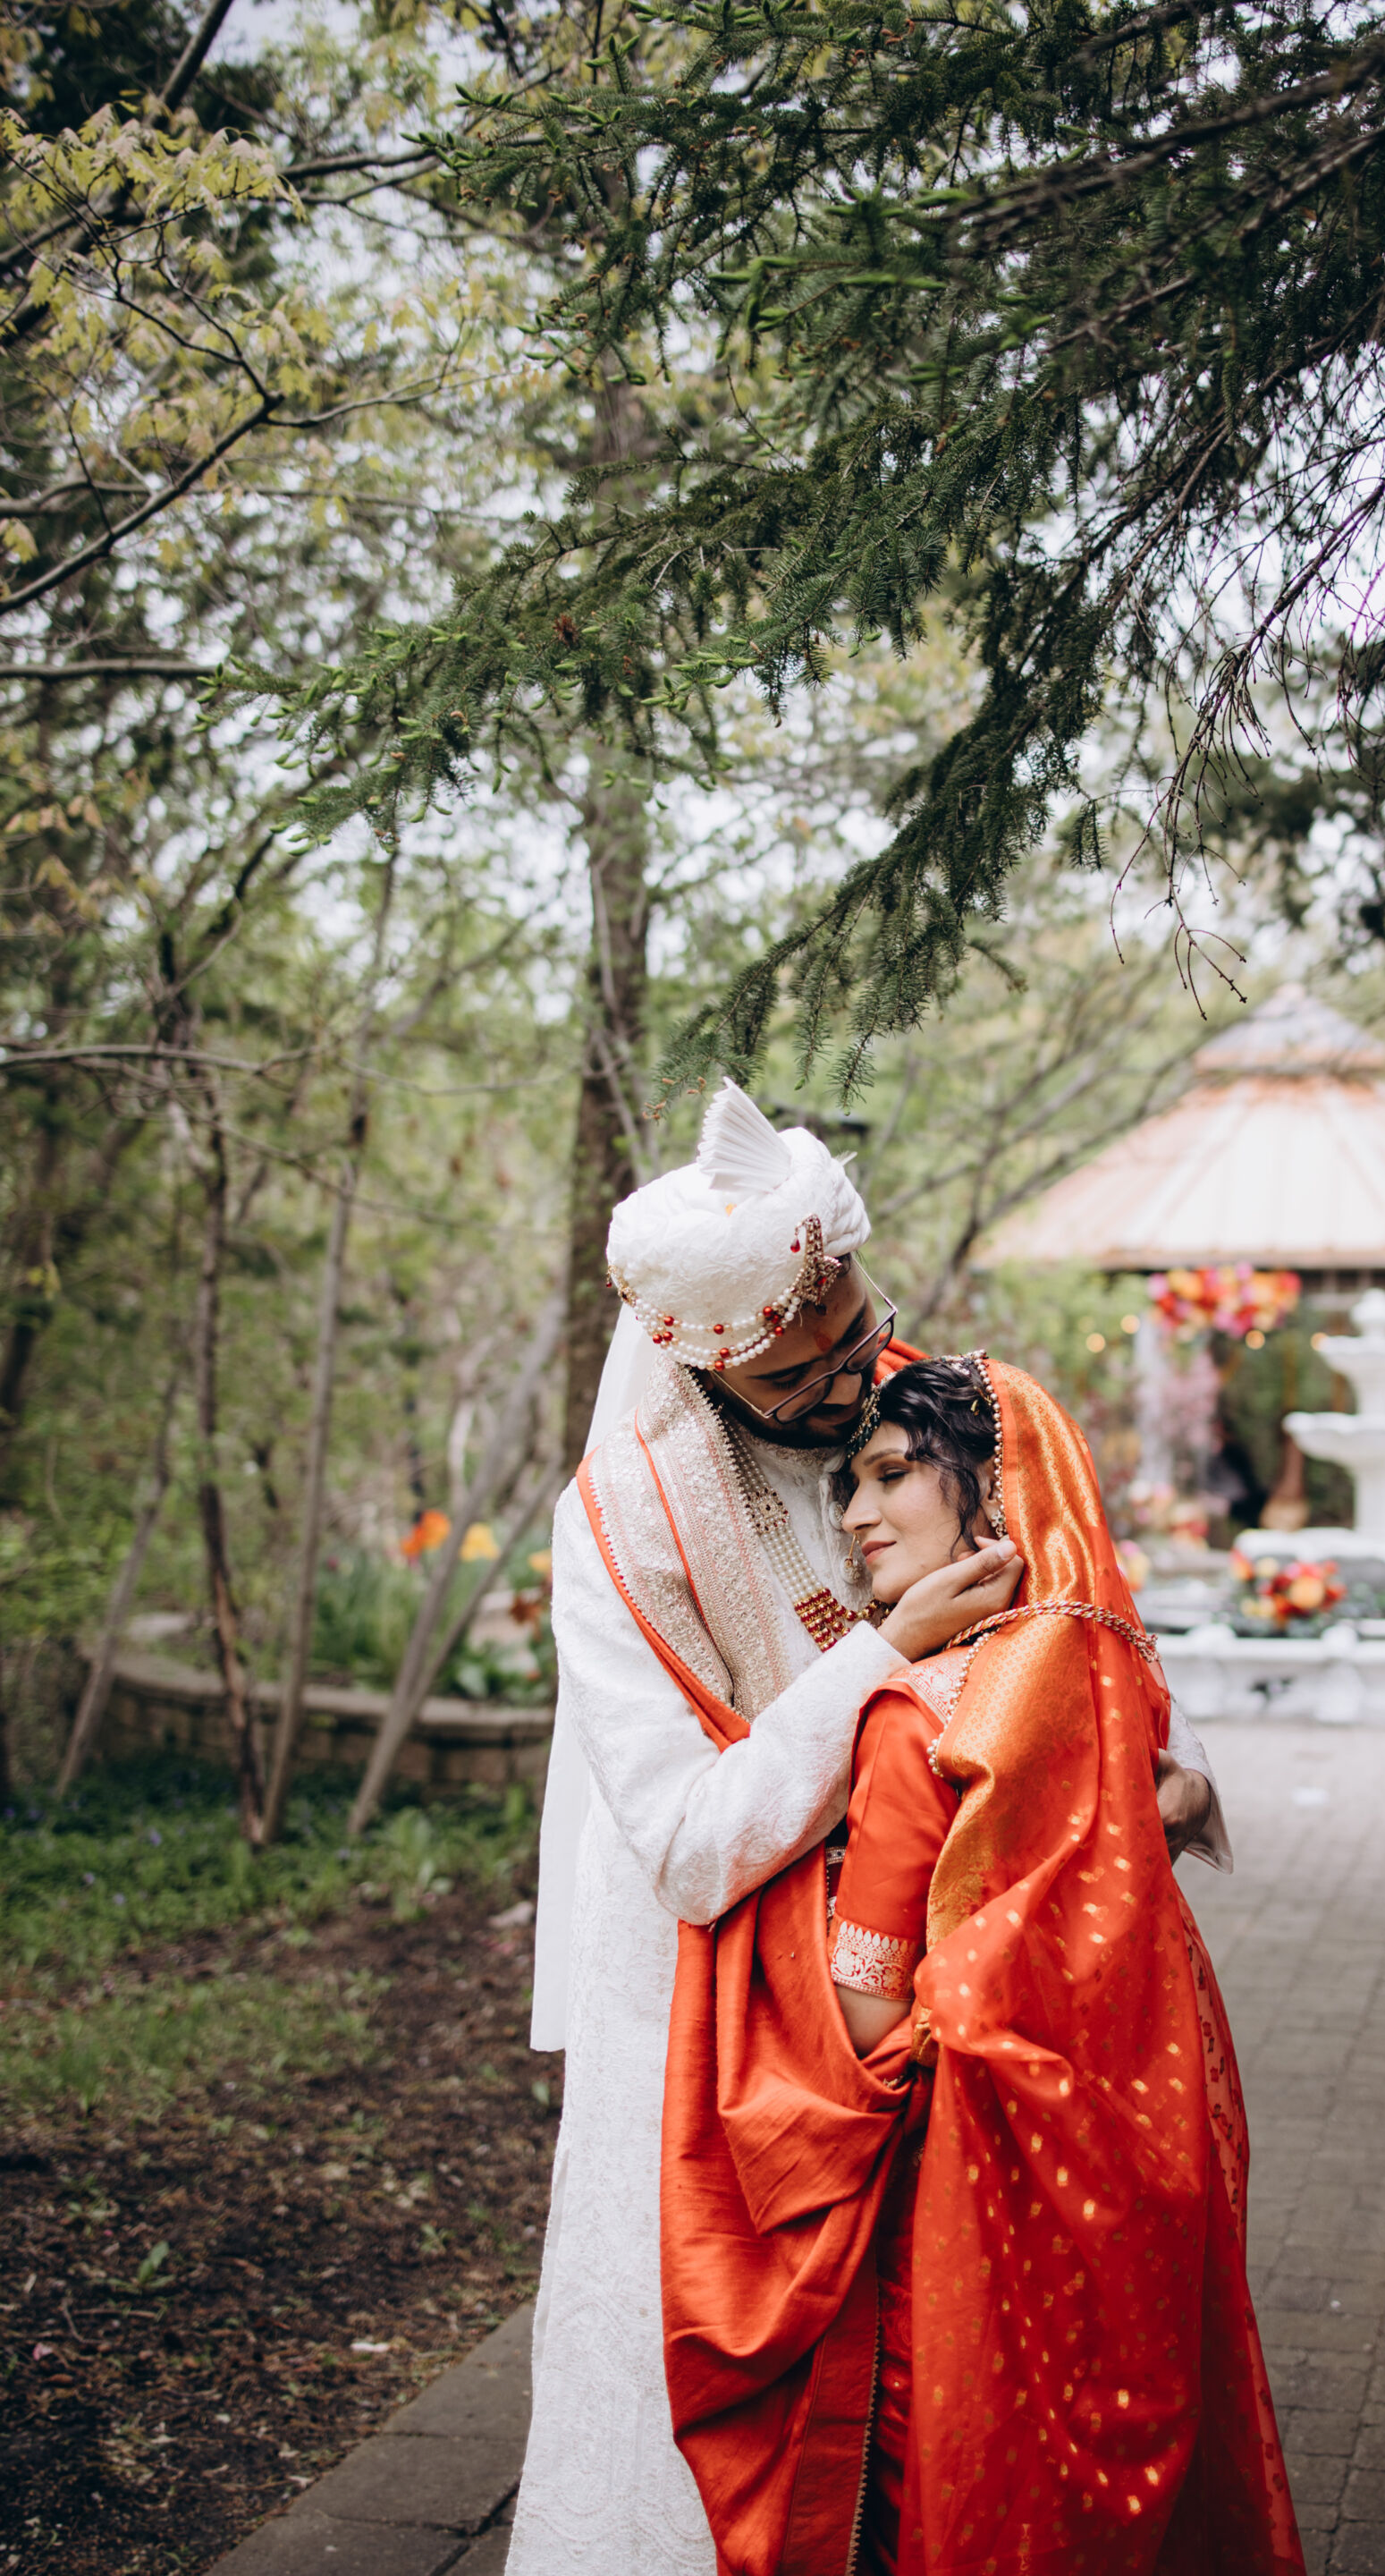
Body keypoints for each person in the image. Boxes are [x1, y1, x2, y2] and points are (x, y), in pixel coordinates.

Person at [510, 1081, 1229, 2576]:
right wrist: (884, 1660)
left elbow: (1077, 1605)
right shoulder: (625, 1515)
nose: (855, 1389)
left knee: (944, 2396)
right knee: (711, 2417)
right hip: (717, 2010)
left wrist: (1150, 1765)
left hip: (957, 1990)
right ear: (709, 1363)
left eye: (860, 1333)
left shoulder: (913, 1402)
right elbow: (689, 1845)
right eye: (806, 1378)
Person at [656, 1354, 1300, 2575]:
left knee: (972, 2470)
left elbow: (864, 2013)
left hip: (975, 2182)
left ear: (995, 1487)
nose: (857, 1514)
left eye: (892, 1474)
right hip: (1143, 2148)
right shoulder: (1113, 1680)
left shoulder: (917, 1718)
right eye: (852, 1484)